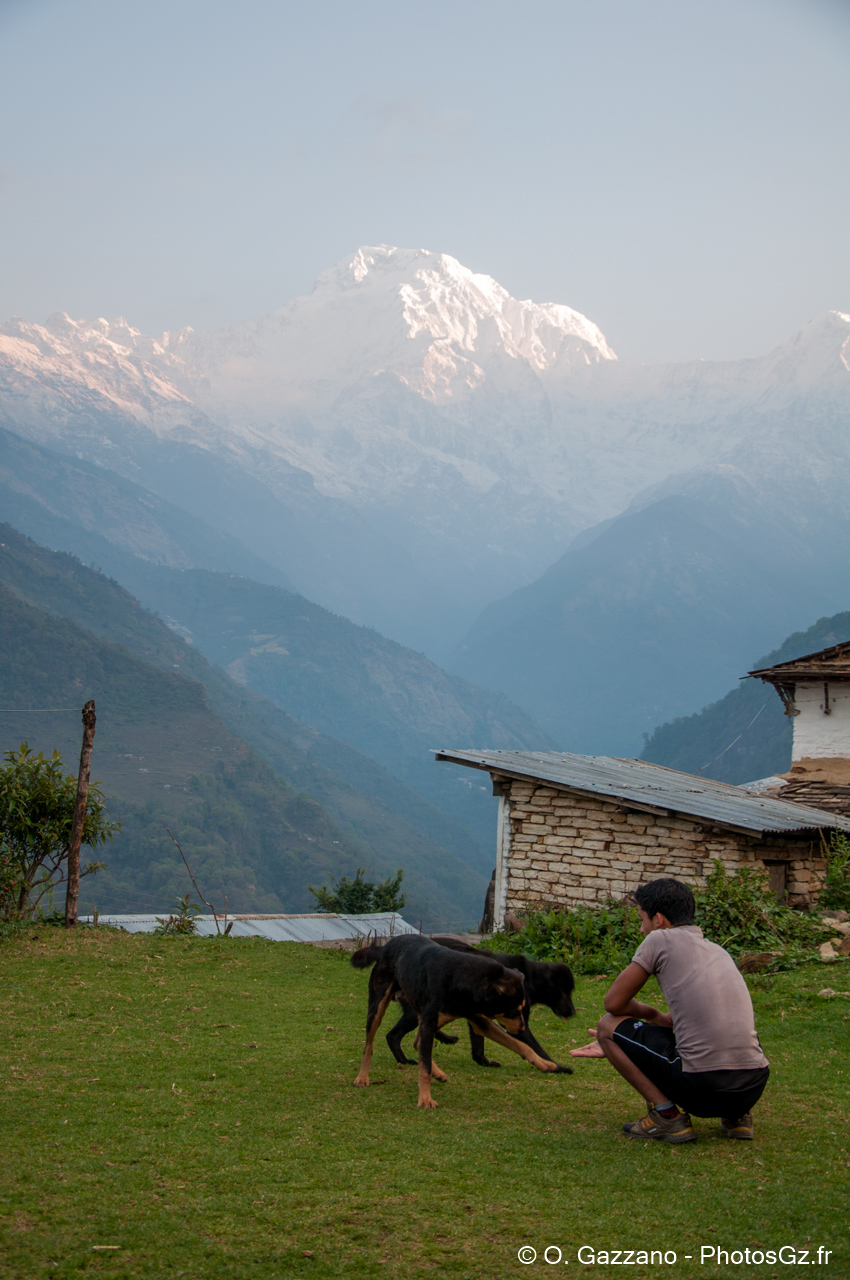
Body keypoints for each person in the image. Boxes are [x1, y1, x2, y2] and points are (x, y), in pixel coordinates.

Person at [570, 878, 769, 1144]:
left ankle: (666, 1116)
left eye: (642, 919)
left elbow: (614, 1004)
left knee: (608, 1025)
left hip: (702, 1086)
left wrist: (648, 1016)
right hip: (752, 1085)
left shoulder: (659, 940)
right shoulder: (718, 951)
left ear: (659, 920)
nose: (642, 929)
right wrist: (650, 1030)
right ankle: (737, 1117)